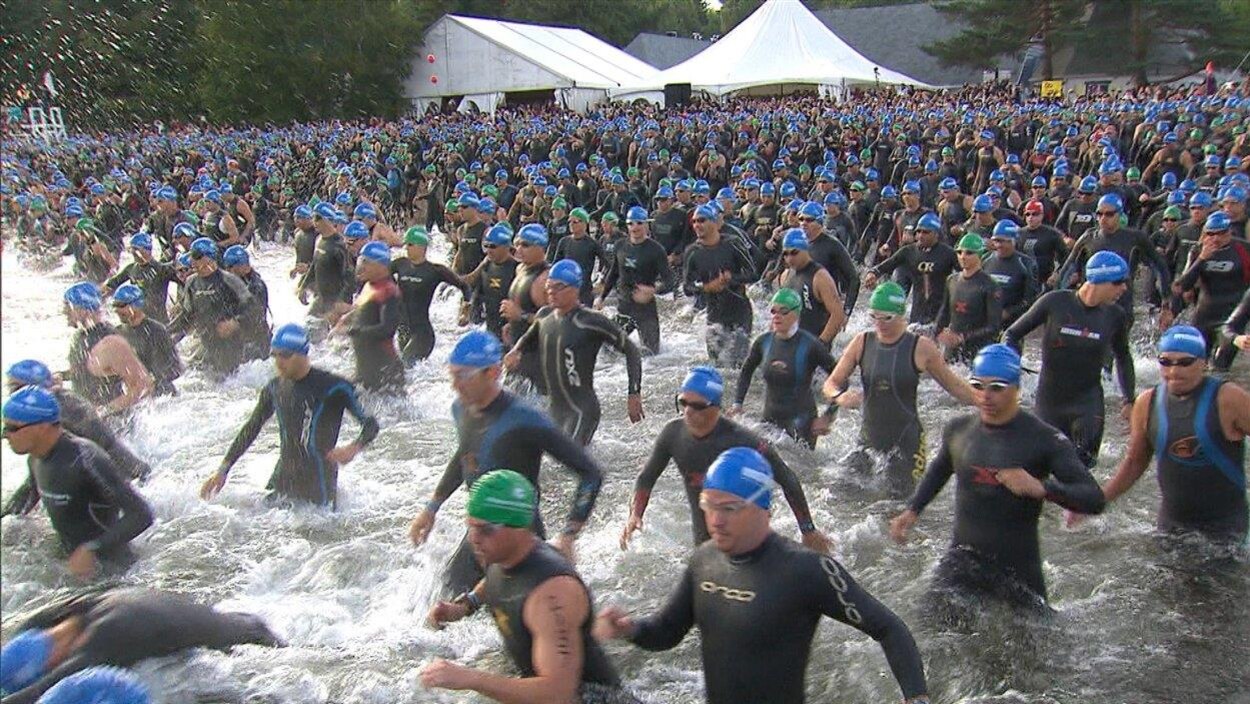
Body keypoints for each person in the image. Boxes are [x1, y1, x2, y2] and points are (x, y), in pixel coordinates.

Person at [599, 447, 930, 704]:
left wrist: (915, 696)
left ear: (763, 509)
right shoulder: (704, 561)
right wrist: (630, 628)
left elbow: (889, 628)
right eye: (708, 506)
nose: (714, 520)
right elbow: (667, 631)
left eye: (728, 508)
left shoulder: (806, 570)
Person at [890, 345, 1105, 611]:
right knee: (927, 630)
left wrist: (1041, 487)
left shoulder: (1044, 439)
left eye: (997, 387)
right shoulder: (959, 430)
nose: (985, 396)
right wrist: (912, 510)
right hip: (963, 561)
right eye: (978, 386)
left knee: (1041, 644)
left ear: (1016, 388)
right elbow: (940, 468)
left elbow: (1094, 498)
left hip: (1017, 570)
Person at [408, 331, 605, 596]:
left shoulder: (525, 419)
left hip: (521, 543)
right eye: (452, 374)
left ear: (493, 372)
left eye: (464, 375)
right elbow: (466, 455)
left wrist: (569, 534)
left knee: (523, 627)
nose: (456, 384)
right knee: (440, 612)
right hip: (478, 537)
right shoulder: (460, 409)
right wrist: (432, 507)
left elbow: (591, 473)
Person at [422, 471, 639, 704]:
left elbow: (557, 693)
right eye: (471, 526)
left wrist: (470, 678)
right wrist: (467, 605)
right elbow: (502, 580)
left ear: (519, 529)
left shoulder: (551, 594)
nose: (474, 538)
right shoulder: (502, 554)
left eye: (485, 529)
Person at [623, 366, 832, 552]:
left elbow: (787, 478)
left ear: (715, 408)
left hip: (745, 547)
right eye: (683, 403)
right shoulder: (672, 434)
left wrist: (807, 530)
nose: (688, 412)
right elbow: (646, 478)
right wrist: (636, 515)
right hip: (705, 548)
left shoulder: (743, 440)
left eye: (697, 406)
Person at [1068, 327, 1247, 544]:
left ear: (1203, 362)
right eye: (1165, 361)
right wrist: (1098, 502)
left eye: (1184, 362)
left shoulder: (1228, 398)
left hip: (1226, 533)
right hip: (1171, 527)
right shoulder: (1147, 402)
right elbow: (1134, 462)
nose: (1173, 371)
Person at [823, 282, 975, 497]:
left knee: (899, 504)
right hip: (868, 440)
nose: (879, 323)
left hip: (907, 443)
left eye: (887, 318)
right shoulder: (862, 342)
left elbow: (956, 387)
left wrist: (988, 402)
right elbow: (830, 383)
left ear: (901, 314)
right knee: (839, 495)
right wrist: (839, 397)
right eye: (874, 316)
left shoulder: (921, 347)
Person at [201, 324, 379, 508]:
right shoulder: (274, 388)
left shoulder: (335, 387)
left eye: (285, 354)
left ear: (303, 353)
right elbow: (251, 428)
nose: (279, 361)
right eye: (274, 354)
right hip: (283, 480)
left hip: (318, 487)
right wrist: (223, 470)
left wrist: (354, 447)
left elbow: (371, 424)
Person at [0, 588, 281, 704]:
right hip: (242, 622)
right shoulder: (80, 606)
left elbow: (43, 689)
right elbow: (27, 628)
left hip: (259, 653)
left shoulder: (107, 636)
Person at [2, 387, 154, 579]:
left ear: (41, 426)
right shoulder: (35, 459)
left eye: (12, 428)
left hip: (118, 575)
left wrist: (91, 549)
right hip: (75, 571)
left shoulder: (86, 459)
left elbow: (142, 514)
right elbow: (18, 507)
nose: (4, 435)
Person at [1004, 251, 1135, 467]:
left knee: (1084, 469)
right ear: (1099, 280)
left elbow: (1123, 357)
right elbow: (1011, 334)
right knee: (1040, 470)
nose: (1124, 288)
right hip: (1049, 403)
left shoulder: (1115, 315)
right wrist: (1009, 372)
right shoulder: (1054, 302)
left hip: (1087, 405)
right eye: (1119, 282)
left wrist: (1129, 399)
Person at [505, 260, 643, 445]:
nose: (551, 291)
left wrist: (633, 393)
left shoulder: (591, 321)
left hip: (582, 410)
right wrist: (515, 352)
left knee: (571, 462)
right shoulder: (544, 316)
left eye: (559, 287)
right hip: (554, 409)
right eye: (549, 286)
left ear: (575, 288)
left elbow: (631, 350)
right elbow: (528, 338)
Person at [2, 360, 149, 519]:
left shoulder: (55, 415)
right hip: (132, 474)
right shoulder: (61, 401)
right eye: (10, 389)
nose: (12, 395)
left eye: (16, 388)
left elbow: (34, 484)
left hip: (131, 481)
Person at [732, 289, 836, 447]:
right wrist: (737, 404)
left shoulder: (810, 345)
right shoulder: (763, 342)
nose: (776, 316)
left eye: (783, 311)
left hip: (802, 424)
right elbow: (746, 372)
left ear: (796, 314)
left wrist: (828, 416)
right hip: (769, 420)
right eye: (773, 311)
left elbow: (840, 379)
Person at [1169, 212, 1250, 372]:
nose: (1215, 238)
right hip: (1204, 315)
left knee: (1220, 370)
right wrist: (1202, 259)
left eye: (1221, 233)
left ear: (1229, 231)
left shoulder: (1243, 249)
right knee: (1195, 368)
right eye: (1211, 233)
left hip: (1232, 319)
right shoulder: (1198, 250)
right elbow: (1182, 285)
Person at [167, 238, 256, 377]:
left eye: (196, 257)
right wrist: (166, 332)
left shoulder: (230, 281)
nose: (192, 261)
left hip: (230, 347)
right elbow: (187, 316)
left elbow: (254, 311)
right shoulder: (191, 283)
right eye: (191, 256)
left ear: (209, 258)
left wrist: (235, 323)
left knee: (226, 384)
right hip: (207, 345)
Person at [681, 203, 757, 366]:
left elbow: (753, 274)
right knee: (718, 367)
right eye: (694, 222)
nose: (696, 225)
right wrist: (707, 287)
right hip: (714, 315)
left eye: (701, 220)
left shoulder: (732, 243)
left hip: (739, 313)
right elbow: (687, 288)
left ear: (714, 222)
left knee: (737, 366)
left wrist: (732, 279)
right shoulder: (692, 252)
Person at [61, 283, 152, 414]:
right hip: (88, 424)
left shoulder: (111, 343)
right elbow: (84, 371)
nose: (64, 311)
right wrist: (60, 376)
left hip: (116, 429)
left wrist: (102, 412)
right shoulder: (81, 337)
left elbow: (143, 385)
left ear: (85, 309)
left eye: (68, 306)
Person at [596, 205, 675, 354]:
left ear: (646, 224)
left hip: (646, 311)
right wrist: (601, 297)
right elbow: (613, 273)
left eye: (639, 223)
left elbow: (670, 280)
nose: (635, 227)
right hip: (624, 307)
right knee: (606, 350)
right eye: (631, 223)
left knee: (652, 356)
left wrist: (653, 290)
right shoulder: (620, 245)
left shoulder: (656, 250)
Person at [390, 226, 470, 363]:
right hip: (403, 330)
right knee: (405, 372)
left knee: (406, 362)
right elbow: (380, 274)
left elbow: (464, 286)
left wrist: (465, 308)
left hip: (423, 334)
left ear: (422, 247)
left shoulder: (435, 271)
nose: (406, 248)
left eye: (410, 244)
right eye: (405, 244)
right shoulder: (400, 264)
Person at [333, 241, 405, 392]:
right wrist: (347, 317)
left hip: (385, 371)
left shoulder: (389, 291)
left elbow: (387, 329)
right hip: (366, 369)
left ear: (381, 265)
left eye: (365, 262)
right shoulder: (369, 286)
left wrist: (351, 330)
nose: (360, 266)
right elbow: (365, 310)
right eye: (360, 261)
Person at [863, 213, 958, 327]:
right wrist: (872, 273)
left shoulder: (948, 253)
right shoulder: (909, 251)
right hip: (917, 314)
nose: (920, 235)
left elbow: (967, 274)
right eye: (918, 231)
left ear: (936, 234)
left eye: (926, 232)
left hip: (941, 315)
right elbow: (886, 265)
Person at [935, 234, 1003, 363]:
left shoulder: (990, 285)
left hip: (979, 351)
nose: (963, 256)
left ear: (980, 255)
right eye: (959, 252)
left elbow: (994, 327)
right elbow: (944, 313)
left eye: (969, 253)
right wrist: (938, 333)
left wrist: (962, 337)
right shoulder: (952, 280)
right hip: (953, 348)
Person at [503, 224, 551, 394]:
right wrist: (511, 324)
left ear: (540, 247)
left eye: (525, 245)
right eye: (517, 243)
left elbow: (557, 322)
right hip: (517, 353)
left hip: (539, 360)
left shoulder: (546, 279)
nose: (519, 249)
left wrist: (521, 316)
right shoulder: (520, 269)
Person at [775, 229, 846, 344]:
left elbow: (838, 315)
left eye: (794, 252)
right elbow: (780, 311)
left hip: (813, 347)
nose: (789, 258)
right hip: (791, 347)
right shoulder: (785, 275)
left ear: (805, 249)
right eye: (785, 254)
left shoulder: (820, 276)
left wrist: (819, 345)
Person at [109, 284, 181, 397]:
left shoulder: (157, 331)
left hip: (161, 397)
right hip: (134, 395)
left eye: (121, 305)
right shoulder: (117, 333)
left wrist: (151, 381)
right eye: (114, 305)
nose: (116, 310)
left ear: (136, 305)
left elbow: (175, 368)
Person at [100, 232, 178, 324]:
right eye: (131, 249)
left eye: (135, 249)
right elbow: (112, 283)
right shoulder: (131, 268)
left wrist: (180, 303)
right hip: (137, 320)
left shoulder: (161, 269)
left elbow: (184, 280)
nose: (132, 252)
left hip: (159, 319)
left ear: (147, 250)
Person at [297, 203, 354, 324]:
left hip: (336, 303)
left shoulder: (339, 245)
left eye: (317, 218)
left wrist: (340, 303)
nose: (314, 221)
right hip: (321, 299)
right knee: (307, 328)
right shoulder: (319, 240)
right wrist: (303, 286)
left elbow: (349, 277)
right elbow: (314, 266)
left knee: (332, 340)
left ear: (328, 220)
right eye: (312, 217)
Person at [983, 220, 1040, 327]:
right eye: (996, 241)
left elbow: (1031, 299)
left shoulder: (1026, 263)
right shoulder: (986, 259)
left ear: (1013, 241)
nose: (999, 245)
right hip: (987, 322)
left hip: (1012, 324)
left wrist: (1009, 312)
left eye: (1003, 241)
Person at [221, 245, 272, 363]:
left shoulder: (256, 286)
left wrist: (233, 323)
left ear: (244, 266)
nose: (228, 271)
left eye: (231, 268)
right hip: (239, 340)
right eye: (226, 268)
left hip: (257, 340)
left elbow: (255, 314)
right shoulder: (233, 283)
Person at [469, 224, 519, 341]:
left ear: (506, 246)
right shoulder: (486, 267)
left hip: (511, 333)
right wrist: (473, 312)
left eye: (493, 246)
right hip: (491, 330)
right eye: (486, 246)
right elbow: (478, 293)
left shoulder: (517, 269)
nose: (488, 250)